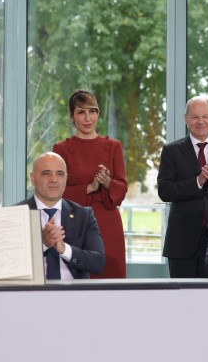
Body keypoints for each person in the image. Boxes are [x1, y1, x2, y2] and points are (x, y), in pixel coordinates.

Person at [157, 95, 208, 278]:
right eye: (195, 117)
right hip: (181, 240)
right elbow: (165, 191)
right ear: (186, 119)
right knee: (183, 299)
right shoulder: (171, 150)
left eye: (205, 116)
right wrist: (199, 180)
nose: (200, 121)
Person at [52, 90, 127, 279]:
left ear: (98, 114)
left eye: (92, 111)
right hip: (76, 222)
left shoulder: (113, 146)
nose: (87, 118)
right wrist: (90, 187)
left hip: (108, 222)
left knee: (111, 281)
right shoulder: (61, 149)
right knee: (78, 278)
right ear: (72, 117)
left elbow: (122, 188)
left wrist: (108, 182)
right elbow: (57, 191)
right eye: (81, 112)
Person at [16, 152, 105, 279]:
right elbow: (5, 264)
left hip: (73, 294)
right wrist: (43, 244)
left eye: (60, 174)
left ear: (66, 179)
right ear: (32, 178)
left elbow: (98, 263)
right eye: (46, 173)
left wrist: (64, 249)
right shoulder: (16, 214)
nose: (54, 179)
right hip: (29, 294)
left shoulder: (84, 215)